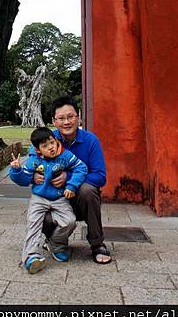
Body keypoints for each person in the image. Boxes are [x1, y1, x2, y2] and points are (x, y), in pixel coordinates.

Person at [35, 96, 111, 264]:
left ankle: (97, 244)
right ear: (54, 121)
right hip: (55, 199)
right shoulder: (47, 140)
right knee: (39, 208)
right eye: (61, 118)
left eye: (70, 117)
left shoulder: (91, 141)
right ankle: (54, 240)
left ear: (78, 117)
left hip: (81, 201)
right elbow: (32, 165)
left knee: (88, 190)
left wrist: (68, 178)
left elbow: (100, 176)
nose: (66, 122)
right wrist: (34, 175)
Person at [9, 126, 87, 274]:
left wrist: (71, 185)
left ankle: (55, 244)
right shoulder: (34, 160)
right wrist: (16, 170)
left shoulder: (66, 155)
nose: (51, 147)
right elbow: (24, 180)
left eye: (52, 142)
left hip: (59, 198)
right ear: (38, 150)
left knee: (69, 222)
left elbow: (81, 168)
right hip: (39, 198)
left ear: (56, 140)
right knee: (34, 223)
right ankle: (31, 257)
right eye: (45, 146)